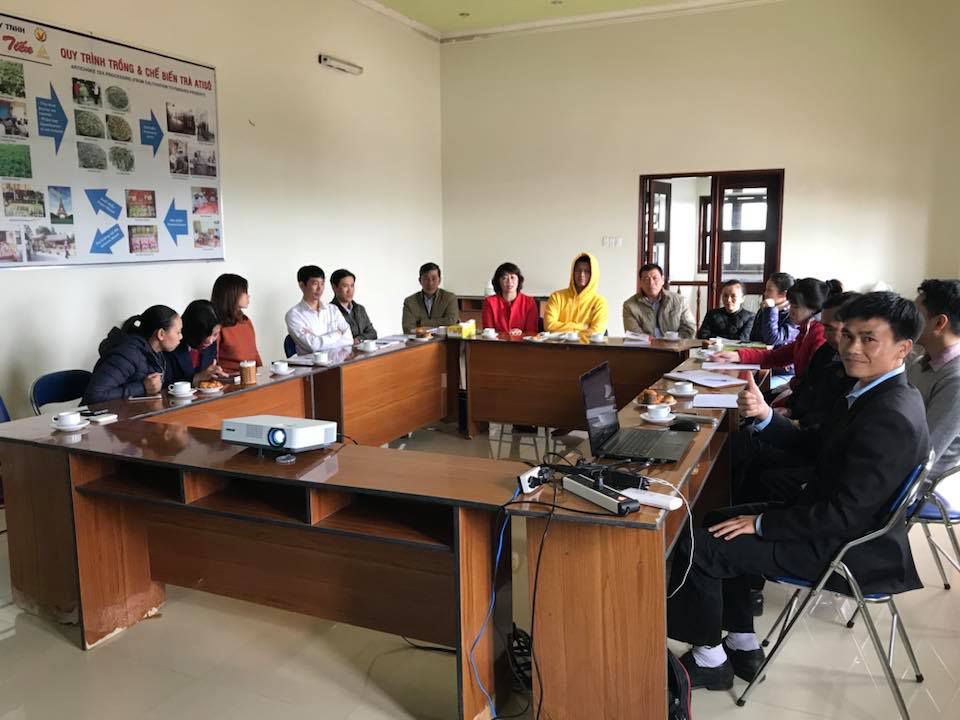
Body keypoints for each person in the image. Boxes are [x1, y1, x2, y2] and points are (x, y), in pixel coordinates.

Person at [668, 292, 929, 690]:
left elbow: (845, 515)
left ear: (903, 348)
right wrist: (765, 414)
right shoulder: (875, 394)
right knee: (719, 519)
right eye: (848, 335)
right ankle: (741, 643)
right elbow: (816, 446)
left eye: (868, 339)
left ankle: (710, 662)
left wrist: (762, 524)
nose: (851, 348)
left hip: (844, 546)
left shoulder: (888, 416)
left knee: (699, 546)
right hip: (831, 522)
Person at [713, 278, 841, 392]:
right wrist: (737, 355)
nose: (791, 311)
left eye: (795, 307)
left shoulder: (818, 335)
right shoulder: (806, 331)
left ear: (813, 309)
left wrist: (787, 405)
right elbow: (776, 356)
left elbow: (814, 385)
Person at [909, 280, 960, 482]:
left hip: (918, 484)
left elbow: (923, 454)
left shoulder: (955, 380)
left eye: (916, 315)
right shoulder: (922, 361)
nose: (908, 322)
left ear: (939, 323)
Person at [82, 305, 181, 404]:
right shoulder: (128, 354)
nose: (181, 337)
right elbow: (94, 396)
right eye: (178, 332)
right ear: (161, 334)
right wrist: (143, 387)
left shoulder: (157, 354)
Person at [286, 265, 353, 353]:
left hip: (339, 360)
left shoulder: (333, 309)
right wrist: (337, 334)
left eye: (322, 283)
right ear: (302, 285)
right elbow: (313, 346)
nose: (320, 288)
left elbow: (349, 340)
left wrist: (321, 341)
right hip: (313, 362)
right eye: (315, 284)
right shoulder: (294, 315)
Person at [622, 263, 695, 338]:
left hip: (675, 344)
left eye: (655, 278)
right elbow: (634, 334)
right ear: (640, 282)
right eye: (646, 279)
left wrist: (674, 340)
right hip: (646, 345)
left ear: (662, 280)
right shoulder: (629, 305)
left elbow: (689, 329)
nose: (651, 283)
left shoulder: (680, 301)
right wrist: (653, 342)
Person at [544, 252, 608, 335]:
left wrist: (564, 329)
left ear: (593, 275)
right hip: (558, 343)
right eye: (578, 270)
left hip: (586, 344)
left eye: (587, 271)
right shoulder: (556, 297)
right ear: (573, 273)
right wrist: (582, 327)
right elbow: (549, 325)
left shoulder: (599, 302)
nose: (582, 274)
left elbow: (597, 332)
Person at [167, 300, 229, 384]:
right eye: (206, 334)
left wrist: (215, 373)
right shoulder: (172, 344)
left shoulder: (211, 344)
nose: (210, 341)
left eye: (215, 334)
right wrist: (196, 378)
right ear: (193, 330)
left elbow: (209, 373)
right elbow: (165, 384)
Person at [211, 273, 263, 372]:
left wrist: (262, 372)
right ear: (232, 295)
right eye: (245, 292)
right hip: (229, 377)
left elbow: (255, 353)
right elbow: (213, 362)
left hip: (251, 374)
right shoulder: (217, 326)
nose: (248, 296)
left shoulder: (246, 321)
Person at [482, 262, 539, 336]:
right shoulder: (489, 302)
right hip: (498, 342)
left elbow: (532, 332)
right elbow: (488, 331)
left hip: (522, 342)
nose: (509, 282)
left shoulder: (529, 302)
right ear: (498, 281)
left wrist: (521, 334)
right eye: (504, 278)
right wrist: (505, 335)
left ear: (518, 280)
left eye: (512, 277)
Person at [401, 262, 459, 334]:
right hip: (418, 339)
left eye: (434, 278)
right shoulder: (410, 301)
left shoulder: (450, 298)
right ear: (420, 281)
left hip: (443, 339)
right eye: (426, 279)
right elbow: (407, 328)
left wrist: (422, 322)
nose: (430, 283)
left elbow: (451, 321)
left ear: (439, 280)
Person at [750, 272, 798, 346]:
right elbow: (753, 338)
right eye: (766, 290)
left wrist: (771, 309)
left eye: (769, 290)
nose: (765, 294)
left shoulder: (794, 314)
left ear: (784, 294)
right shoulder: (765, 310)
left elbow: (773, 339)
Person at [330, 269, 378, 343]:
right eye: (345, 286)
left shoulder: (360, 309)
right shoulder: (329, 312)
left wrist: (358, 339)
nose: (350, 291)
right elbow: (336, 340)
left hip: (364, 349)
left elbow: (373, 334)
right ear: (334, 287)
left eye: (352, 286)